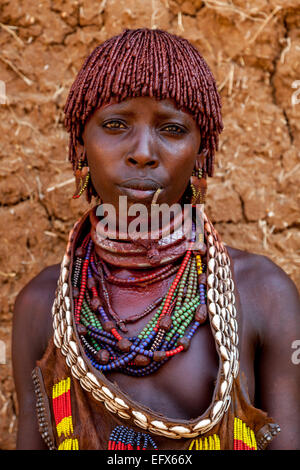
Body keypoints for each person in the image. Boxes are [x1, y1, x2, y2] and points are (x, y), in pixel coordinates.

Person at [12, 28, 300, 451]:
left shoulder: (263, 293)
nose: (143, 151)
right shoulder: (42, 305)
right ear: (80, 145)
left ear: (201, 153)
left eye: (171, 128)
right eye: (115, 124)